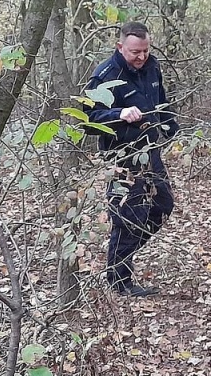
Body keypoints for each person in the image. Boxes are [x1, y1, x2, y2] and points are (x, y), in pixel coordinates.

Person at [85, 21, 179, 297]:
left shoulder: (152, 65)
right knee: (127, 217)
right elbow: (89, 120)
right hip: (121, 156)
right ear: (120, 46)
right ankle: (119, 281)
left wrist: (171, 129)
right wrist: (119, 114)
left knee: (163, 206)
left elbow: (161, 101)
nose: (140, 57)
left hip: (150, 150)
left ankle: (119, 260)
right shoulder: (105, 75)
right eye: (134, 52)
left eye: (145, 51)